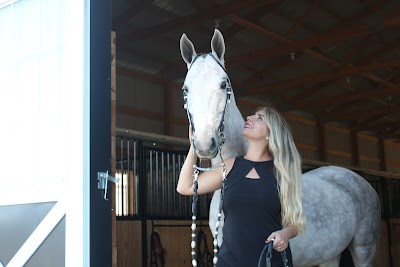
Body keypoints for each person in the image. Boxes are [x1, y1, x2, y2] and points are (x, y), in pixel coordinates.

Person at [177, 106, 305, 267]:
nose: (250, 117)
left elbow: (295, 222)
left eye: (259, 118)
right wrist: (194, 146)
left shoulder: (283, 174)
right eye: (253, 114)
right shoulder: (230, 166)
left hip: (270, 261)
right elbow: (185, 187)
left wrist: (285, 234)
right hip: (229, 262)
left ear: (270, 133)